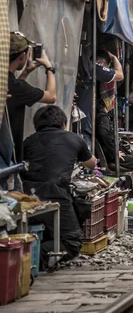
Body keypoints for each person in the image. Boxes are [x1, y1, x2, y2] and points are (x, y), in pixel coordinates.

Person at [22, 106, 96, 267]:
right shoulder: (75, 139)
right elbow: (91, 164)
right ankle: (28, 258)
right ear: (64, 124)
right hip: (56, 195)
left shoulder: (28, 141)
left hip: (25, 196)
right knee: (72, 242)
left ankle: (30, 256)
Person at [95, 52, 133, 200]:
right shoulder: (102, 115)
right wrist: (115, 152)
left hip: (113, 154)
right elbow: (103, 134)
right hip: (112, 158)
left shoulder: (101, 113)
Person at [7, 32, 56, 163]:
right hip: (7, 156)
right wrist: (49, 68)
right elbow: (51, 96)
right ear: (23, 56)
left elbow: (16, 90)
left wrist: (26, 72)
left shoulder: (11, 84)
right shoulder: (16, 87)